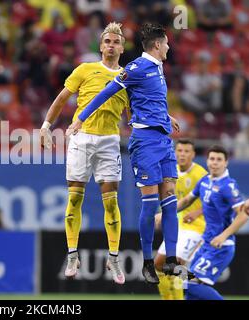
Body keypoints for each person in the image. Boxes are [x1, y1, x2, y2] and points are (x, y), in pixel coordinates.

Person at [66, 23, 181, 284]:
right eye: (166, 43)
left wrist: (166, 116)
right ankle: (149, 262)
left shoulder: (157, 68)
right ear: (157, 45)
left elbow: (147, 100)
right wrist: (80, 119)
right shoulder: (137, 68)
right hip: (144, 141)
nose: (169, 47)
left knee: (171, 199)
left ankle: (171, 260)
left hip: (163, 139)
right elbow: (107, 92)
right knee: (150, 204)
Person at [40, 22, 130, 284]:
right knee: (75, 199)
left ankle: (113, 257)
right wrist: (46, 127)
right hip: (81, 138)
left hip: (110, 141)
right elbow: (61, 99)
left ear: (122, 48)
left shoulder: (128, 77)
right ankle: (72, 254)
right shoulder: (85, 69)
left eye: (116, 42)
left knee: (111, 202)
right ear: (101, 46)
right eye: (107, 41)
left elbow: (134, 114)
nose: (111, 45)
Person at [177, 145, 249, 300]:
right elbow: (186, 201)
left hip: (221, 246)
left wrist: (223, 236)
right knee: (188, 287)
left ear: (226, 163)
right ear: (207, 161)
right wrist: (164, 213)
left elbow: (243, 215)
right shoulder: (204, 181)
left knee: (187, 285)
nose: (214, 163)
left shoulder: (228, 186)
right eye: (212, 159)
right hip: (206, 243)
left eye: (219, 159)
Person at [154, 139, 207, 299]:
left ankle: (195, 286)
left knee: (175, 265)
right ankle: (190, 285)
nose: (182, 154)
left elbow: (213, 202)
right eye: (180, 151)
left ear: (193, 154)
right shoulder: (170, 173)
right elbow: (171, 200)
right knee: (158, 265)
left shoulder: (201, 174)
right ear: (175, 152)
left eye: (186, 151)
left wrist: (198, 212)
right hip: (177, 227)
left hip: (196, 227)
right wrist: (162, 214)